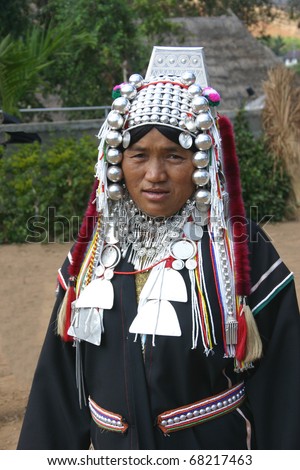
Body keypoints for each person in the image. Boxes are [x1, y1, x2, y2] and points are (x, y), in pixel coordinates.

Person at [17, 46, 300, 450]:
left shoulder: (240, 252)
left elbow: (285, 390)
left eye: (174, 156)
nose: (154, 175)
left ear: (202, 162)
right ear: (115, 162)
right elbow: (59, 390)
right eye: (138, 156)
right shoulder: (94, 253)